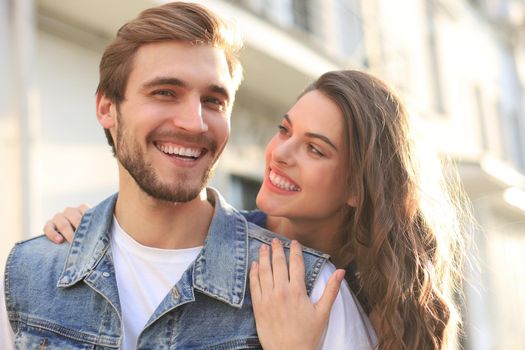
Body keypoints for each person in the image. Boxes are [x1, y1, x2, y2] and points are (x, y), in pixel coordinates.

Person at [0, 2, 364, 350]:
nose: (194, 122)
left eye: (213, 101)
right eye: (165, 92)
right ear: (107, 109)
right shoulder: (28, 276)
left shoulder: (309, 291)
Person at [38, 70, 468, 349]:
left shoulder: (387, 296)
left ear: (358, 188)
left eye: (315, 149)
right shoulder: (223, 250)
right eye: (284, 130)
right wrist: (98, 232)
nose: (281, 153)